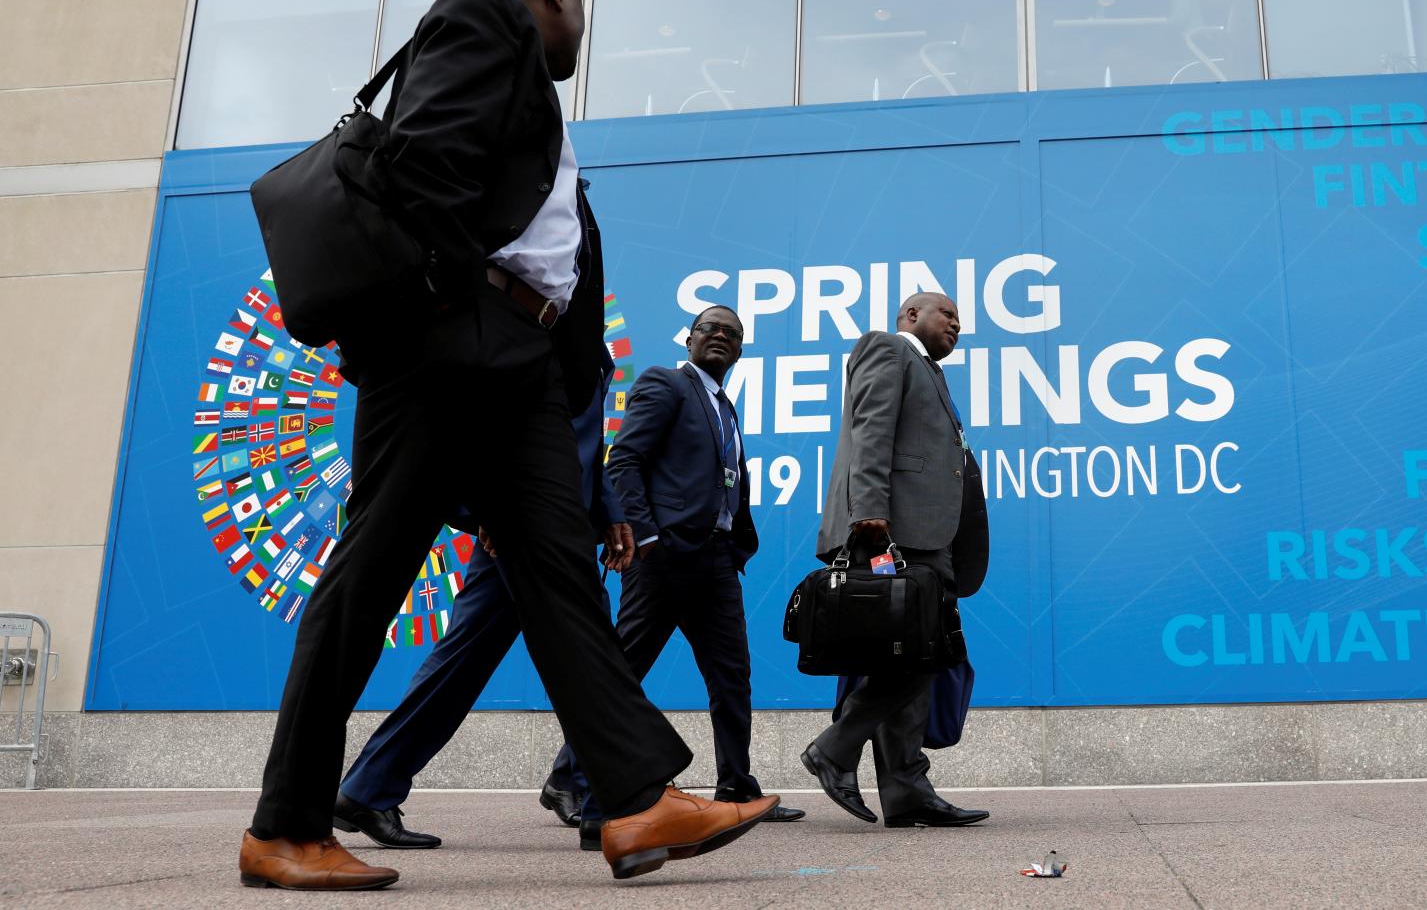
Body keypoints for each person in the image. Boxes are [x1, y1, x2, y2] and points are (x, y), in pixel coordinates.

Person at [238, 0, 775, 892]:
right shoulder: (483, 14)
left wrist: (556, 372)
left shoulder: (535, 101)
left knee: (559, 575)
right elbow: (415, 175)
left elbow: (545, 242)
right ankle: (284, 827)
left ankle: (636, 800)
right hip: (450, 349)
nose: (580, 34)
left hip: (516, 367)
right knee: (370, 575)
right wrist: (462, 307)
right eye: (581, 12)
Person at [331, 342, 629, 854]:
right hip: (522, 522)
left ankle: (368, 788)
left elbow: (580, 445)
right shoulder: (518, 332)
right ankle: (613, 802)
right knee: (594, 656)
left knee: (464, 663)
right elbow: (474, 420)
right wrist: (485, 506)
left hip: (556, 523)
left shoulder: (588, 349)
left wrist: (608, 509)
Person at [563, 305, 803, 827]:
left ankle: (736, 786)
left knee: (732, 674)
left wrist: (736, 545)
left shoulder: (725, 406)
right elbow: (624, 460)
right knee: (624, 671)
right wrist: (646, 537)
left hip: (716, 561)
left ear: (740, 350)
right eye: (709, 329)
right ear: (690, 339)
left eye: (731, 333)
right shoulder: (666, 383)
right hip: (662, 558)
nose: (720, 336)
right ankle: (570, 778)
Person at [800, 292, 990, 828]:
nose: (957, 325)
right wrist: (871, 514)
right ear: (911, 316)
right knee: (925, 653)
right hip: (892, 532)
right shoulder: (887, 348)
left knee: (910, 656)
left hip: (927, 536)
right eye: (947, 315)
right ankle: (834, 749)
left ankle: (905, 789)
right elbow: (871, 431)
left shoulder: (931, 372)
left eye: (960, 320)